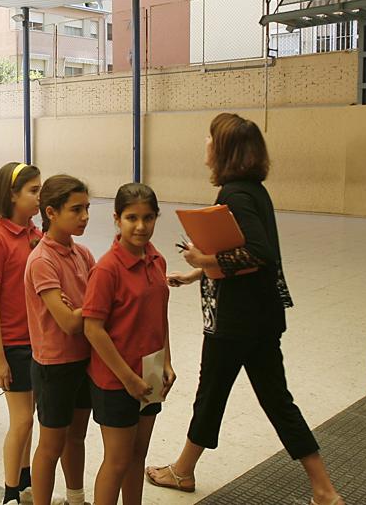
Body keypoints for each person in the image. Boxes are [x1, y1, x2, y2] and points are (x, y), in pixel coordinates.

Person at [147, 113, 343, 505]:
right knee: (275, 399)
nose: (205, 143)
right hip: (261, 318)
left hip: (235, 323)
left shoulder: (235, 194)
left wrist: (202, 259)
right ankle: (323, 489)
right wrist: (197, 274)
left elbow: (258, 253)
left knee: (211, 394)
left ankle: (183, 471)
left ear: (225, 150)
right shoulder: (253, 191)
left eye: (210, 138)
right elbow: (249, 263)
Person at [84, 183, 174, 505]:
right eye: (131, 218)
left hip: (147, 375)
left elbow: (158, 317)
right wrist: (127, 379)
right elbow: (93, 329)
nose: (140, 226)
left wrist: (166, 362)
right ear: (116, 219)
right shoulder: (107, 269)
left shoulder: (157, 260)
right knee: (118, 460)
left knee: (138, 455)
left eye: (148, 218)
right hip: (116, 381)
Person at [25, 175, 96, 505]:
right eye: (76, 209)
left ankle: (76, 498)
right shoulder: (42, 260)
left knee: (76, 437)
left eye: (87, 209)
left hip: (85, 359)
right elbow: (68, 322)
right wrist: (90, 309)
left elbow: (87, 310)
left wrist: (83, 308)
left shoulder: (83, 254)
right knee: (51, 444)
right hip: (55, 365)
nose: (84, 217)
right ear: (51, 212)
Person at [0, 161, 43, 505]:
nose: (39, 196)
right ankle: (9, 493)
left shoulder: (37, 234)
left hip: (40, 341)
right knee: (20, 421)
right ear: (12, 194)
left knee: (29, 421)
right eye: (33, 191)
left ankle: (25, 485)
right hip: (15, 344)